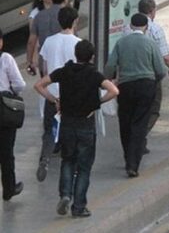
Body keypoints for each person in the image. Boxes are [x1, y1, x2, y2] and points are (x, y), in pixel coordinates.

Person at [34, 40, 119, 218]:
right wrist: (97, 103)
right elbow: (114, 91)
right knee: (84, 167)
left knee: (68, 161)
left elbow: (39, 85)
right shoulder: (94, 75)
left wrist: (54, 100)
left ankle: (65, 195)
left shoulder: (64, 71)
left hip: (67, 124)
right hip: (86, 125)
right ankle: (79, 206)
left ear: (76, 54)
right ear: (92, 57)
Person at [105, 13, 166, 178]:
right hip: (146, 86)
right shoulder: (150, 43)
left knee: (125, 122)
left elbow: (110, 65)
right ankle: (133, 164)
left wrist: (109, 79)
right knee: (140, 124)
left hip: (126, 86)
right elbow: (161, 70)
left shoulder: (121, 42)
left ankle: (127, 157)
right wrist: (153, 81)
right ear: (146, 27)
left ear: (131, 26)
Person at [36, 6, 82, 182]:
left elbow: (45, 68)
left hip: (52, 94)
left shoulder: (49, 41)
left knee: (49, 130)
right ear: (75, 21)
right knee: (71, 131)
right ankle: (71, 166)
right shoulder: (78, 43)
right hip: (71, 96)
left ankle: (45, 158)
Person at [135, 0, 169, 154]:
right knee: (153, 109)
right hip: (150, 77)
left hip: (130, 76)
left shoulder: (127, 28)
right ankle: (139, 136)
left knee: (136, 109)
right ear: (152, 11)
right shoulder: (156, 29)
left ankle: (139, 139)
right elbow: (165, 57)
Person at [0, 28, 25, 201]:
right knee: (6, 151)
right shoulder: (5, 59)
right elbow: (19, 84)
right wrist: (11, 92)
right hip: (3, 107)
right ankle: (9, 188)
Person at [26, 0, 69, 77]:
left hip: (45, 58)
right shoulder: (67, 14)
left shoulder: (38, 16)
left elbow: (31, 41)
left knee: (46, 82)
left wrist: (29, 61)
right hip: (63, 57)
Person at [26, 0, 55, 76]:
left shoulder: (61, 9)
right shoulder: (35, 14)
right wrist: (32, 60)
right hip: (44, 54)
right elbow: (33, 39)